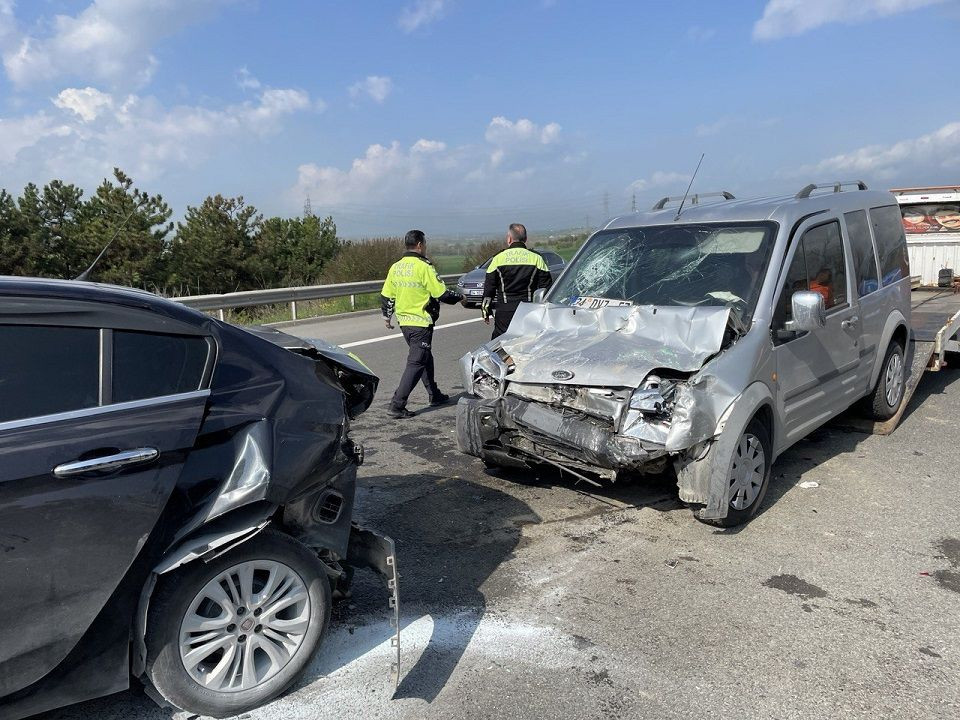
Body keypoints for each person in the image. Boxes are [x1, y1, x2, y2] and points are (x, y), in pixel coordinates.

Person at [380, 230, 464, 418]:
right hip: (420, 322)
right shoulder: (424, 267)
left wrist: (387, 317)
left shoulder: (396, 267)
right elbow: (441, 293)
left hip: (405, 323)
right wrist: (460, 297)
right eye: (424, 244)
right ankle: (397, 404)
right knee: (416, 362)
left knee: (425, 357)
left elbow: (386, 295)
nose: (425, 247)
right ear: (419, 244)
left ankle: (434, 394)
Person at [481, 223, 553, 339]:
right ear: (525, 239)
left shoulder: (498, 259)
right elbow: (547, 288)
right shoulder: (537, 258)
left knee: (500, 345)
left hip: (504, 311)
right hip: (529, 311)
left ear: (509, 239)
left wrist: (485, 311)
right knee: (528, 343)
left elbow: (489, 289)